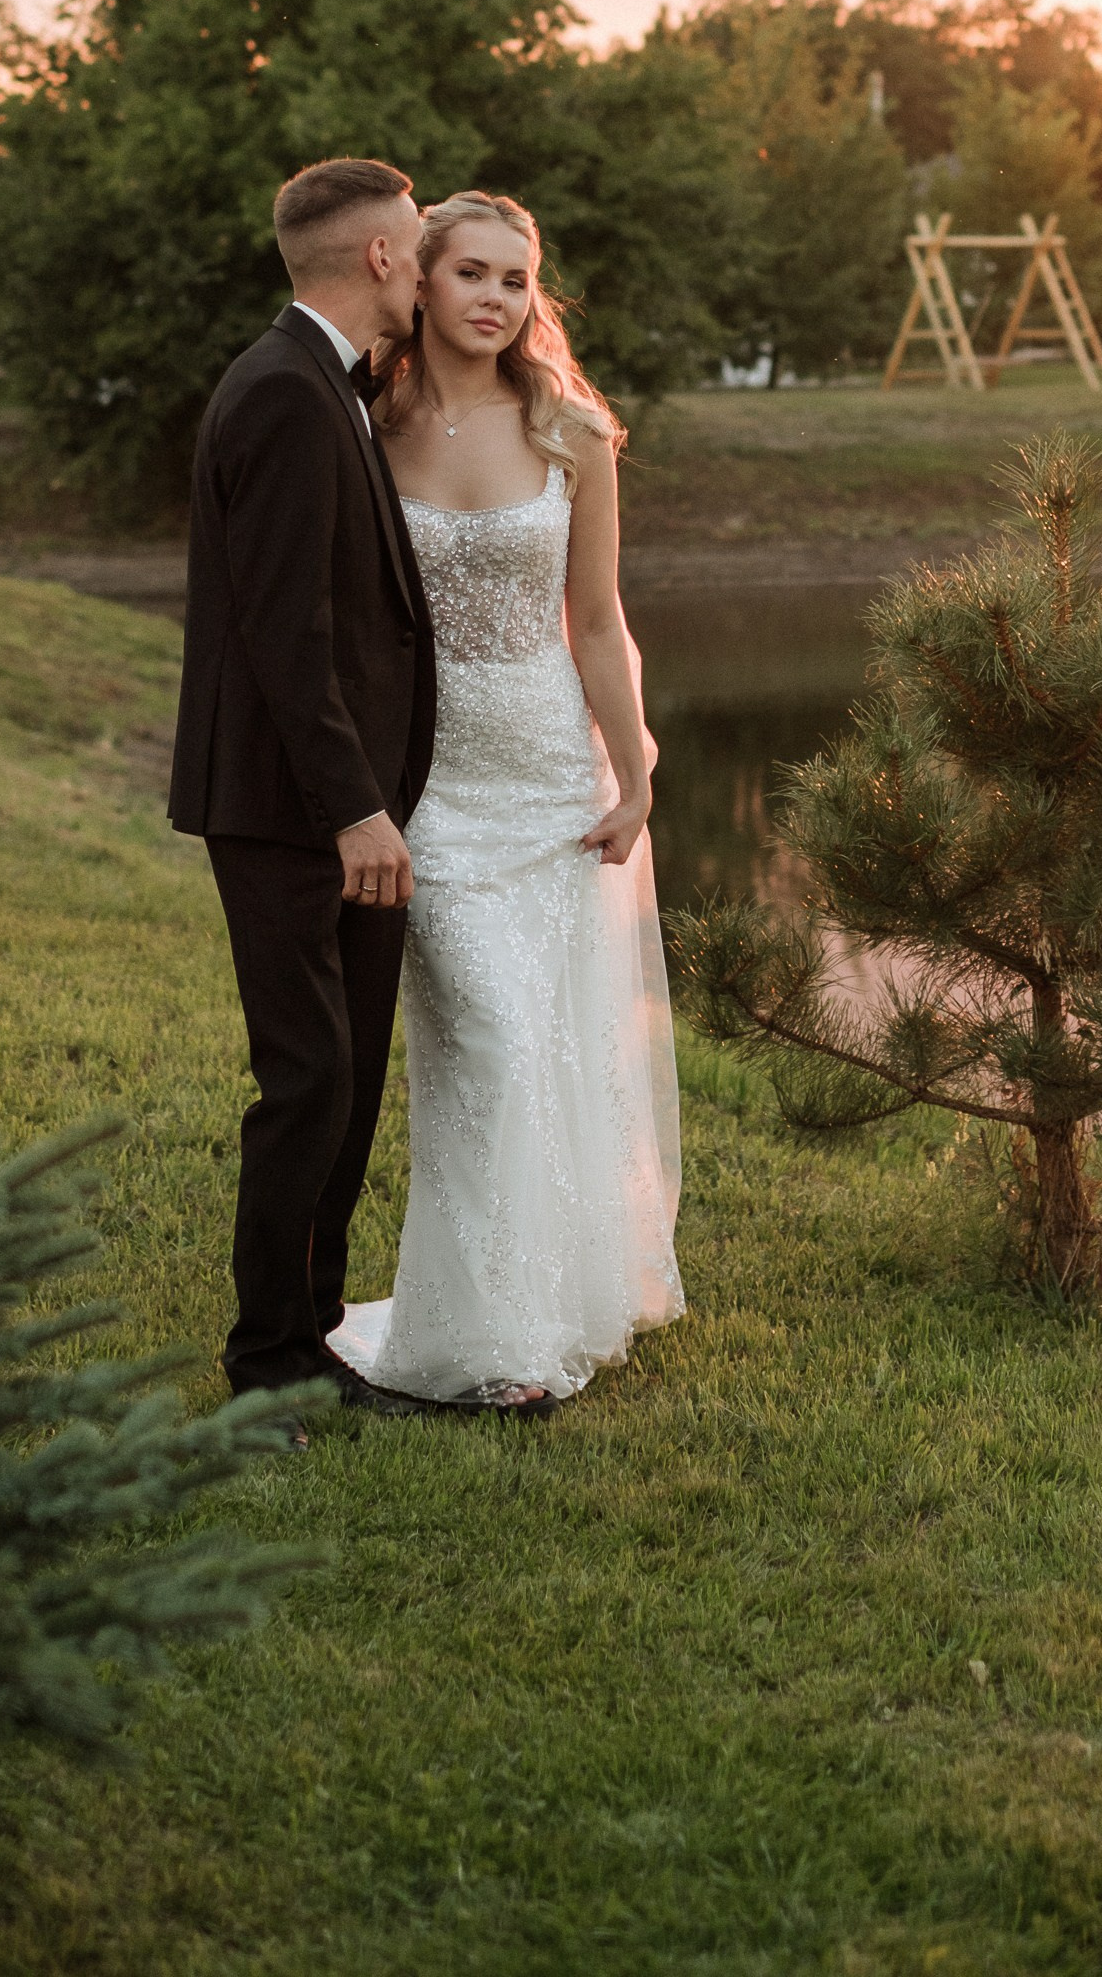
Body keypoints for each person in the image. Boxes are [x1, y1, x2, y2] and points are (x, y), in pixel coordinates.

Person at [329, 188, 684, 1416]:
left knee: (550, 1036)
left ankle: (534, 1316)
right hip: (425, 781)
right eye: (470, 273)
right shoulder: (363, 422)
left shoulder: (572, 430)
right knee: (483, 1036)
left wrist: (631, 769)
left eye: (515, 280)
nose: (494, 298)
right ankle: (480, 1327)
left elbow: (594, 618)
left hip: (545, 770)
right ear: (416, 282)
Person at [169, 157, 435, 1414]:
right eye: (422, 240)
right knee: (309, 1078)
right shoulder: (279, 393)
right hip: (289, 807)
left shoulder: (330, 384)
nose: (432, 262)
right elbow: (283, 633)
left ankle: (317, 1336)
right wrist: (351, 805)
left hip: (346, 802)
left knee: (353, 1068)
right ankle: (263, 1366)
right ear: (379, 254)